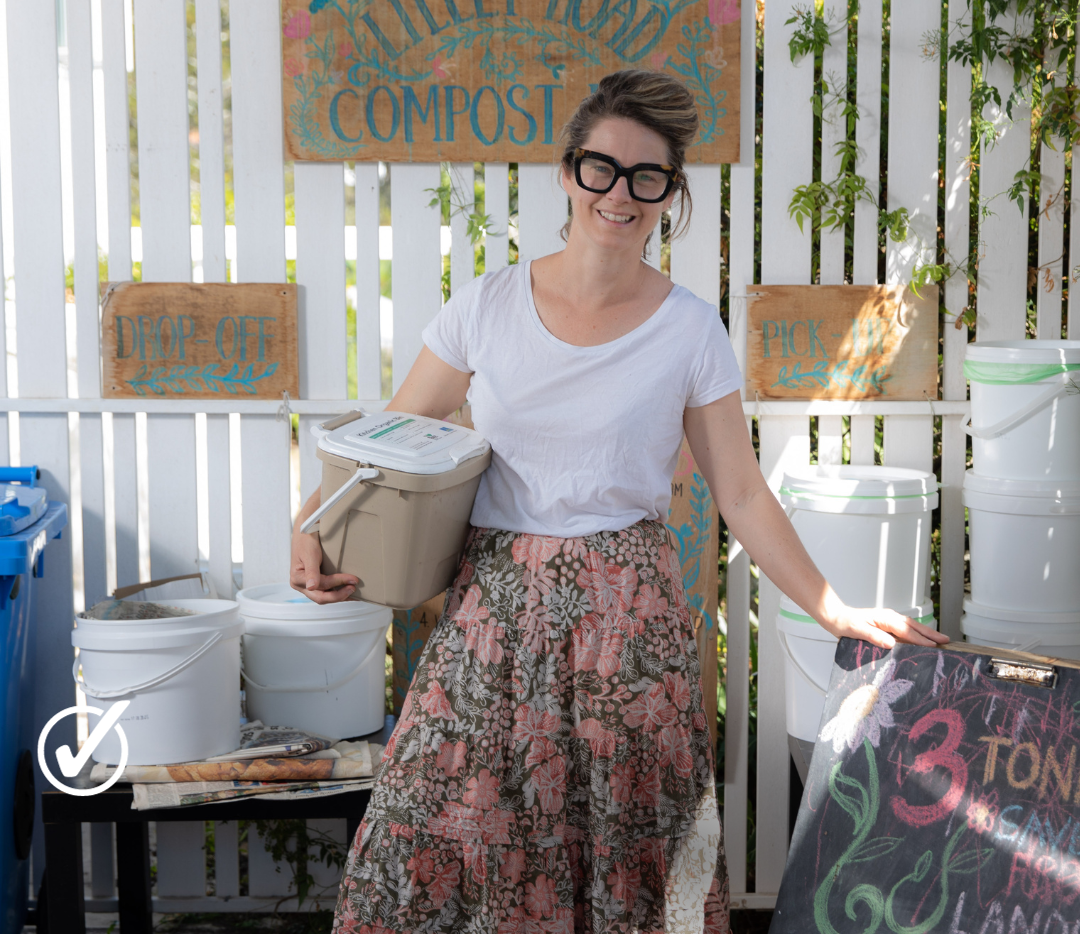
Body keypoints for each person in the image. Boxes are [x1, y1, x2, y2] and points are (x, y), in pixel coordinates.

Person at [290, 69, 948, 934]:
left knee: (630, 843)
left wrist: (834, 611)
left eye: (648, 177)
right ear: (569, 173)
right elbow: (389, 439)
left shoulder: (689, 330)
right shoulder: (487, 306)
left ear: (669, 195)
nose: (620, 192)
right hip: (494, 612)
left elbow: (741, 492)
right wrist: (311, 525)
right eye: (602, 168)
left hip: (626, 620)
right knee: (443, 816)